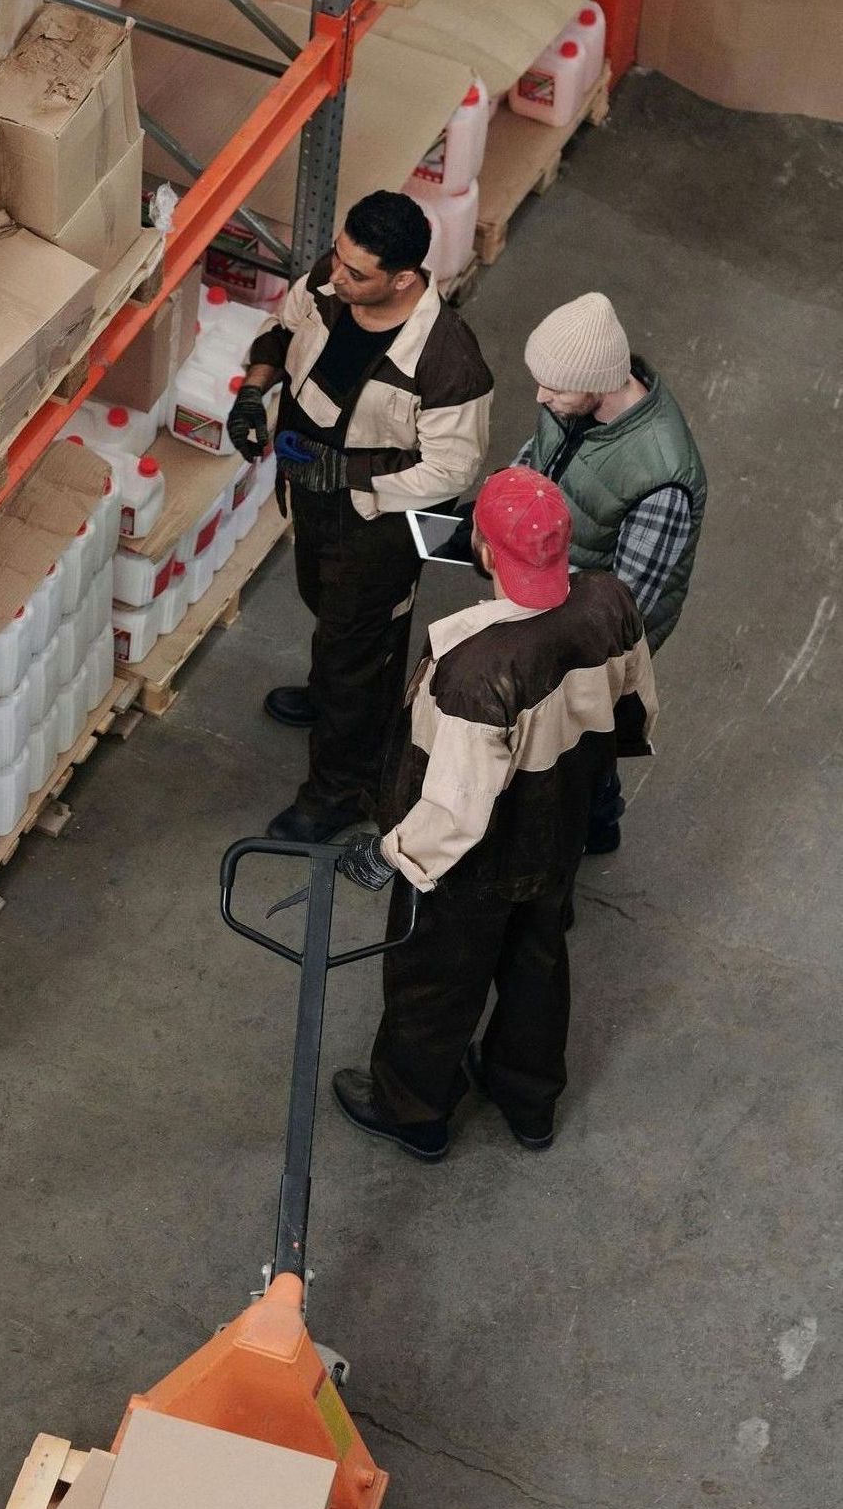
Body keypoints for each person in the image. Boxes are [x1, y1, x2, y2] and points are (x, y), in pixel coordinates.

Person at [331, 467, 658, 1161]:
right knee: (536, 957)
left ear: (481, 547)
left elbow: (455, 808)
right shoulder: (610, 602)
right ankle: (527, 1098)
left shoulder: (473, 668)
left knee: (435, 983)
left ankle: (412, 1110)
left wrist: (391, 853)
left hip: (474, 866)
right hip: (558, 830)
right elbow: (635, 708)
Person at [227, 190, 493, 844]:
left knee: (359, 647)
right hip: (314, 497)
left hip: (379, 526)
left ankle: (341, 790)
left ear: (402, 278)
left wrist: (348, 479)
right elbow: (282, 331)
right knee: (324, 605)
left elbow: (453, 469)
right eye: (339, 261)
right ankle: (335, 700)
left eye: (356, 272)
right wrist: (254, 393)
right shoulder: (331, 282)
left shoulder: (446, 360)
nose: (335, 277)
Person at [519, 291, 705, 852]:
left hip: (593, 634)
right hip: (552, 592)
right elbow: (542, 453)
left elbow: (623, 610)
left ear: (601, 383)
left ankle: (593, 823)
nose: (540, 395)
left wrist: (537, 589)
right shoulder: (571, 398)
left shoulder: (661, 476)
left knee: (582, 735)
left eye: (553, 387)